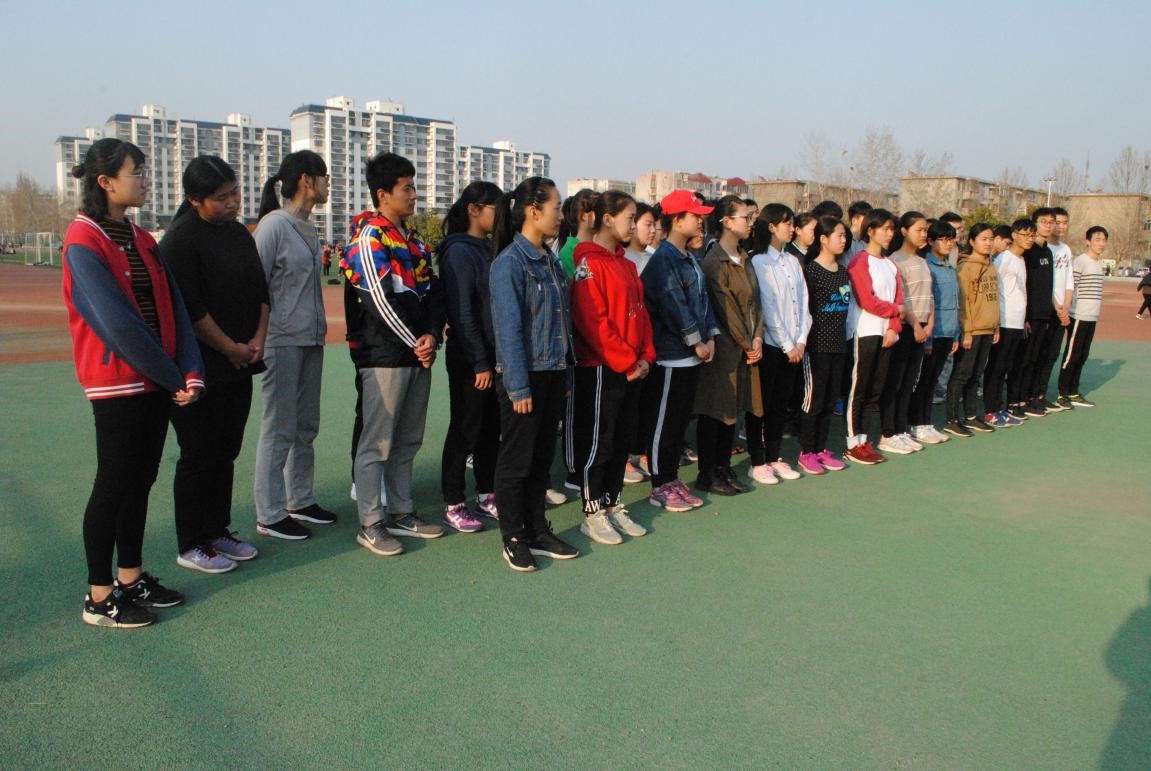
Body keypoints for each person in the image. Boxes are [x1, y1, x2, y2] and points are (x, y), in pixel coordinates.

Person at [63, 138, 203, 627]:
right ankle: (99, 596)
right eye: (137, 172)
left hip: (156, 381)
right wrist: (172, 376)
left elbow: (175, 308)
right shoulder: (83, 240)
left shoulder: (141, 238)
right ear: (105, 182)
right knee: (114, 482)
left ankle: (130, 577)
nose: (145, 180)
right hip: (118, 382)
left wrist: (190, 369)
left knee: (140, 480)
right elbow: (117, 324)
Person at [161, 156, 267, 574]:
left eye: (235, 192)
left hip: (240, 363)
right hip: (198, 368)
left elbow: (261, 292)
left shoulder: (239, 234)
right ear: (194, 199)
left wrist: (256, 340)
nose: (233, 202)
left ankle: (217, 530)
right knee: (199, 453)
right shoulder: (181, 240)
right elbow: (190, 309)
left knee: (226, 450)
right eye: (222, 198)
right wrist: (228, 348)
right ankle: (191, 542)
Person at [489, 177, 580, 572]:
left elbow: (562, 323)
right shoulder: (510, 262)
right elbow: (508, 331)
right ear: (533, 210)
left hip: (553, 372)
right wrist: (518, 386)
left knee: (541, 460)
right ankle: (514, 536)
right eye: (556, 207)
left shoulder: (550, 260)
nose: (561, 215)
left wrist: (565, 375)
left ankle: (537, 530)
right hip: (524, 377)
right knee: (516, 461)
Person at [252, 149, 336, 540]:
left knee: (306, 424)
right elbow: (255, 285)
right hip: (281, 340)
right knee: (279, 426)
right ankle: (269, 513)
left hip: (310, 338)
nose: (328, 185)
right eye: (325, 178)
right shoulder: (274, 226)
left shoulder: (308, 227)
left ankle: (299, 499)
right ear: (306, 180)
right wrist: (259, 336)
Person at [567, 190, 654, 544]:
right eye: (629, 218)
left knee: (621, 440)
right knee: (598, 442)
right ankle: (592, 513)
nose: (633, 225)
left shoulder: (627, 265)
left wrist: (646, 356)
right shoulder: (588, 263)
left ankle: (613, 503)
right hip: (602, 368)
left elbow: (642, 316)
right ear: (607, 219)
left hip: (631, 369)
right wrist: (627, 361)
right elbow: (592, 322)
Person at [640, 190, 717, 511]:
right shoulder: (664, 259)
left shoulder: (688, 257)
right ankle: (660, 483)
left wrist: (710, 336)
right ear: (676, 219)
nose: (700, 221)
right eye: (694, 216)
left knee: (679, 419)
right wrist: (696, 340)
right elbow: (674, 304)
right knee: (665, 422)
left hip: (690, 355)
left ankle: (670, 477)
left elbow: (702, 301)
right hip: (671, 354)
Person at [438, 181, 503, 534]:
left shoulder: (489, 248)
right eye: (495, 207)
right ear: (474, 210)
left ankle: (486, 493)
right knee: (465, 429)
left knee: (490, 430)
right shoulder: (459, 251)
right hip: (469, 360)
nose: (501, 215)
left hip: (492, 357)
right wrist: (479, 361)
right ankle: (453, 502)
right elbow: (462, 312)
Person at [693, 195, 762, 494]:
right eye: (745, 217)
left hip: (744, 347)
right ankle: (707, 472)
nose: (750, 222)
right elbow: (726, 310)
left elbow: (756, 303)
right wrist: (748, 341)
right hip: (723, 350)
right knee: (715, 411)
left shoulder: (744, 258)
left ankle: (722, 467)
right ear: (727, 222)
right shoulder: (714, 262)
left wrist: (757, 336)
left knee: (733, 410)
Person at [748, 203, 809, 482]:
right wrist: (788, 345)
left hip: (795, 347)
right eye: (788, 223)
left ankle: (774, 456)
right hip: (772, 346)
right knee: (762, 405)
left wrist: (801, 340)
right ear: (771, 226)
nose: (792, 228)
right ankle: (757, 460)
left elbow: (804, 303)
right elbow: (768, 308)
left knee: (780, 405)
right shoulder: (759, 261)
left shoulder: (792, 261)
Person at [843, 209, 903, 464]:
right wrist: (895, 311)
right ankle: (852, 442)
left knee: (875, 390)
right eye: (885, 229)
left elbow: (899, 297)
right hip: (865, 332)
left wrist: (893, 328)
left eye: (892, 229)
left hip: (886, 334)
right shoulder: (859, 261)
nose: (890, 234)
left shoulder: (890, 264)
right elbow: (867, 300)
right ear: (870, 230)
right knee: (860, 387)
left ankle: (864, 439)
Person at [798, 216, 851, 474]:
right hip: (817, 346)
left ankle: (821, 449)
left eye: (845, 235)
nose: (843, 240)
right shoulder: (811, 271)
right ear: (823, 239)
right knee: (815, 401)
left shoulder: (842, 271)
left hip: (839, 345)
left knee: (831, 400)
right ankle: (806, 452)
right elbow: (805, 310)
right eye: (839, 235)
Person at [878, 211, 932, 455]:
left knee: (910, 380)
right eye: (919, 230)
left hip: (922, 328)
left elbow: (929, 297)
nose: (923, 234)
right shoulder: (895, 261)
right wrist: (917, 325)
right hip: (905, 327)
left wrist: (929, 324)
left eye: (925, 230)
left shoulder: (922, 261)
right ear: (904, 231)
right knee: (895, 381)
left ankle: (901, 430)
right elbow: (901, 300)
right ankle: (888, 433)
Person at [945, 223, 999, 437]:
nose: (988, 243)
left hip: (987, 329)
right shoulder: (966, 267)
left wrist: (995, 326)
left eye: (991, 239)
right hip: (972, 331)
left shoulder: (991, 265)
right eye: (983, 239)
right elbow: (964, 301)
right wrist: (966, 332)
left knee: (976, 375)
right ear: (972, 241)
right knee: (961, 374)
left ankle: (971, 415)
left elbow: (993, 299)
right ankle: (952, 418)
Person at [909, 221, 958, 445]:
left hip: (948, 331)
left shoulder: (950, 267)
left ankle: (926, 423)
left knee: (933, 380)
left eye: (951, 239)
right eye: (943, 239)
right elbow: (929, 303)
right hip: (932, 333)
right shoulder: (927, 265)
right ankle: (916, 423)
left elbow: (954, 303)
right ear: (930, 241)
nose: (948, 244)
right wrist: (928, 337)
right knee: (924, 380)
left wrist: (955, 334)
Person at [982, 220, 1031, 428]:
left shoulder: (1021, 260)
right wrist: (995, 321)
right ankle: (990, 411)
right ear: (1015, 235)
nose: (1029, 239)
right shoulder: (1003, 259)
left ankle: (999, 408)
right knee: (996, 367)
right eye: (1025, 234)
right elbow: (993, 291)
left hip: (1017, 321)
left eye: (1032, 235)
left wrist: (1025, 318)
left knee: (1006, 367)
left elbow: (1021, 290)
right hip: (1003, 321)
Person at [1057, 226, 1107, 407]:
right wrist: (1067, 308)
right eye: (1097, 240)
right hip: (1078, 315)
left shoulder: (1099, 264)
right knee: (1072, 355)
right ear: (1088, 241)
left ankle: (1073, 392)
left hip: (1091, 316)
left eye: (1104, 240)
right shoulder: (1081, 261)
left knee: (1083, 355)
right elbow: (1071, 286)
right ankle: (1062, 394)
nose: (1101, 244)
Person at [1019, 207, 1062, 416]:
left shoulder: (1047, 252)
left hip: (1045, 314)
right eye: (1043, 221)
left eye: (1051, 222)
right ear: (1034, 224)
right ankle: (1019, 400)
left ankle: (1033, 396)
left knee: (1038, 357)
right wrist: (1026, 316)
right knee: (1025, 359)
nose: (1048, 225)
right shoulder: (1028, 252)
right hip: (1030, 315)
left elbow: (1049, 285)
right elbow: (1024, 285)